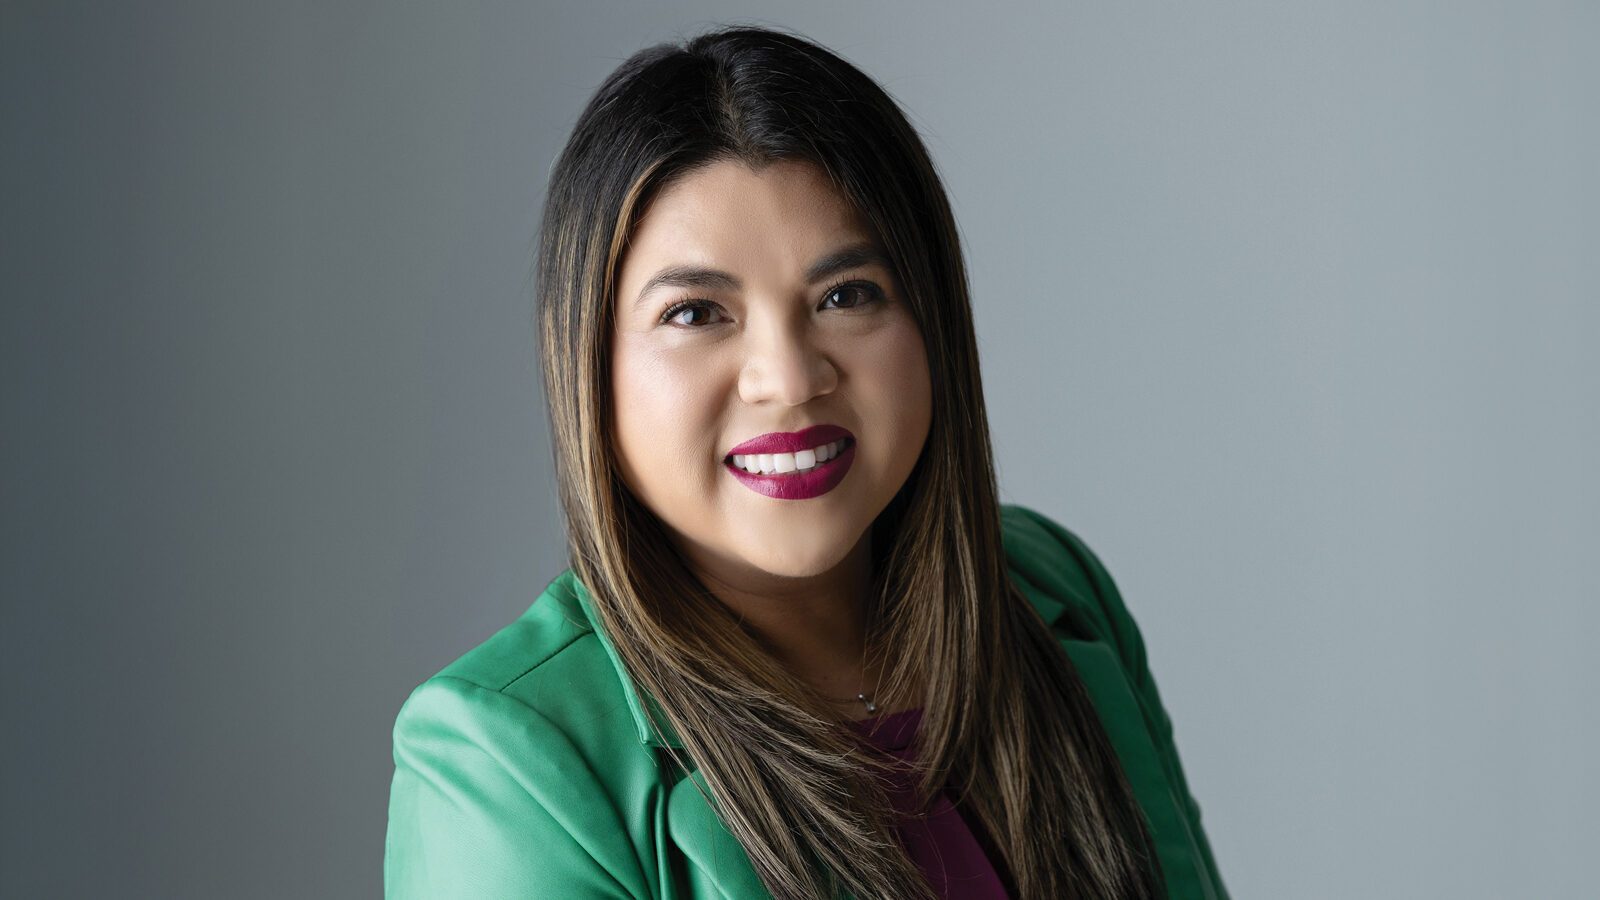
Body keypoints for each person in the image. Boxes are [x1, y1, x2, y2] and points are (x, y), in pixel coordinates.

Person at [383, 23, 1228, 900]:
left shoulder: (1054, 592)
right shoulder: (508, 762)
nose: (788, 379)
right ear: (589, 365)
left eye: (845, 296)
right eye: (697, 313)